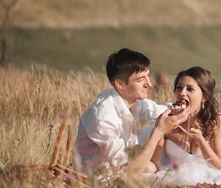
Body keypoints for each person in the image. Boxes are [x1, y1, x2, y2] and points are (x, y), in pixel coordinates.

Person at [75, 48, 189, 180]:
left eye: (148, 76)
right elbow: (127, 173)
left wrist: (180, 108)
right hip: (96, 185)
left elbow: (159, 110)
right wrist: (158, 131)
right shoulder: (104, 120)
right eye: (141, 79)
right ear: (120, 84)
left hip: (124, 174)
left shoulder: (132, 101)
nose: (149, 84)